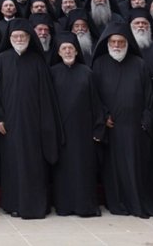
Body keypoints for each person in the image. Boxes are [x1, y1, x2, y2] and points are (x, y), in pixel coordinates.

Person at [92, 25, 153, 218]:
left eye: (121, 42)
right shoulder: (98, 64)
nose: (116, 45)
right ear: (107, 44)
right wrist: (103, 116)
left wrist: (145, 119)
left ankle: (139, 201)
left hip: (136, 128)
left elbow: (149, 97)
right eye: (113, 42)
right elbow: (94, 96)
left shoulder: (139, 64)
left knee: (137, 167)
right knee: (114, 169)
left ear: (127, 43)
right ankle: (119, 202)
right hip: (112, 128)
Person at [0, 19, 60, 219]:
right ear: (9, 39)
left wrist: (44, 124)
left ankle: (36, 205)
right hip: (10, 125)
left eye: (23, 36)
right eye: (15, 37)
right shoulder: (2, 59)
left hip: (33, 125)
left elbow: (46, 96)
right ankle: (13, 204)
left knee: (34, 166)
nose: (19, 39)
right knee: (13, 165)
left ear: (30, 38)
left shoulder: (38, 61)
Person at [49, 32, 103, 217]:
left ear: (77, 51)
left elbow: (96, 102)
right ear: (58, 52)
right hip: (60, 130)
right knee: (63, 170)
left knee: (83, 169)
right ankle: (64, 206)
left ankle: (84, 206)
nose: (67, 51)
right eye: (64, 49)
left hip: (83, 131)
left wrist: (98, 127)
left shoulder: (87, 72)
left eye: (70, 48)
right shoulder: (52, 72)